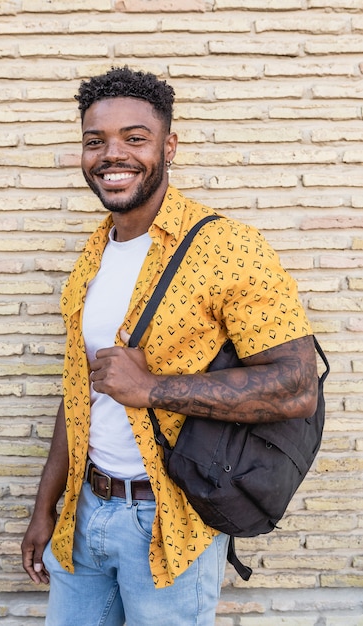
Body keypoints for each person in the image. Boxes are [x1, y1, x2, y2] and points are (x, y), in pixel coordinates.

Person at [21, 67, 318, 626]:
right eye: (95, 141)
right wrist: (46, 508)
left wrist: (152, 388)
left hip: (170, 522)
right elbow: (79, 390)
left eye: (135, 138)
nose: (113, 155)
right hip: (83, 517)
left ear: (169, 145)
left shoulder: (227, 246)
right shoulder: (93, 255)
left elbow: (297, 386)